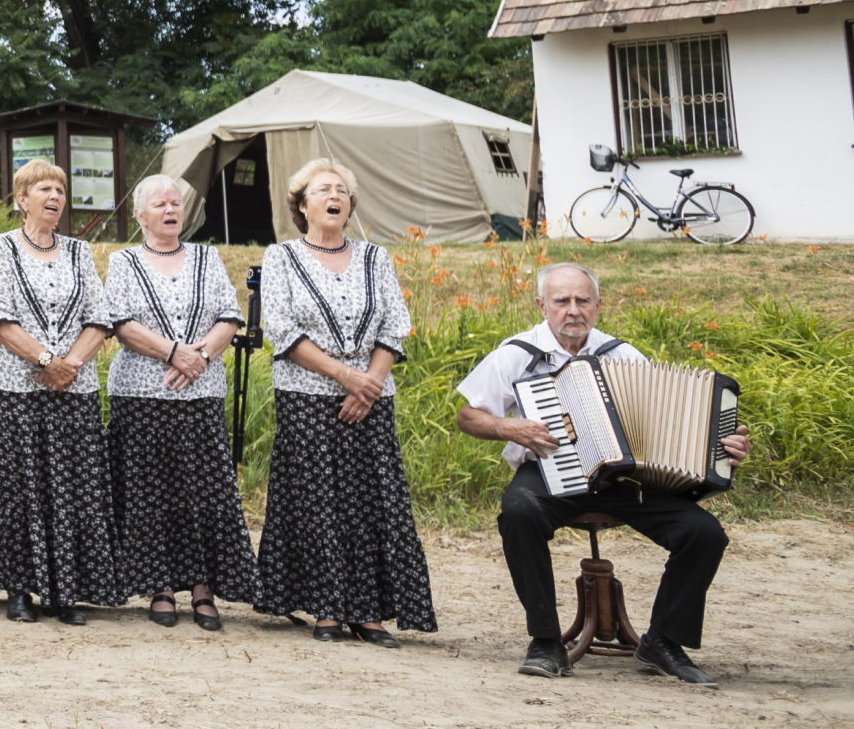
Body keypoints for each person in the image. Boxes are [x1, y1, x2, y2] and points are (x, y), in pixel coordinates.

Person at [456, 263, 751, 684]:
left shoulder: (623, 355)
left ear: (598, 305)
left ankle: (663, 642)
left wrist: (720, 449)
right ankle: (544, 641)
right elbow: (468, 416)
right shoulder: (517, 354)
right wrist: (510, 427)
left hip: (624, 480)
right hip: (549, 471)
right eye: (562, 301)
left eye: (583, 300)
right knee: (519, 512)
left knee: (703, 533)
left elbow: (666, 425)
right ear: (542, 305)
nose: (573, 310)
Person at [253, 161, 436, 644]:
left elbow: (395, 324)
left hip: (371, 399)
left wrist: (369, 384)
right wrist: (345, 377)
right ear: (302, 204)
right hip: (307, 396)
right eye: (323, 189)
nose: (334, 196)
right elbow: (282, 328)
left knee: (372, 502)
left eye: (342, 191)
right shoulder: (282, 257)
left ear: (349, 206)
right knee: (317, 501)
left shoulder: (376, 257)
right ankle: (327, 611)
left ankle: (369, 612)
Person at [0, 159, 119, 624]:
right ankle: (20, 589)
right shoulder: (2, 246)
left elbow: (98, 317)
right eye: (44, 188)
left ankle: (64, 590)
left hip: (74, 389)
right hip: (13, 388)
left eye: (60, 190)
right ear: (22, 199)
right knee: (18, 491)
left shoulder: (79, 251)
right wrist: (47, 362)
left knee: (70, 490)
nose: (54, 197)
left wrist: (71, 366)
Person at [102, 174, 259, 630]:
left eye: (176, 203)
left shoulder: (207, 258)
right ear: (140, 215)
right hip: (141, 395)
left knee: (202, 493)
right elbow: (121, 323)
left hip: (200, 392)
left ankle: (203, 587)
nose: (171, 210)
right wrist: (174, 352)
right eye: (160, 204)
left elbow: (228, 316)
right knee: (150, 493)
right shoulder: (126, 261)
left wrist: (201, 357)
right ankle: (160, 586)